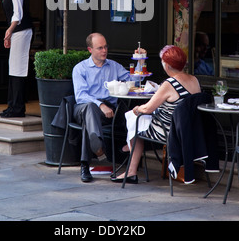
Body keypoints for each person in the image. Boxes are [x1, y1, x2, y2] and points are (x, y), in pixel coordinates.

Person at [111, 45, 201, 184]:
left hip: (169, 132)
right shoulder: (194, 80)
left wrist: (137, 109)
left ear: (167, 65)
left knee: (134, 118)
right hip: (189, 131)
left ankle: (131, 170)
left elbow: (147, 109)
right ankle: (128, 151)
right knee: (139, 119)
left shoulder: (170, 83)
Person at [72, 32, 145, 182]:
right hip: (84, 108)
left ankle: (92, 155)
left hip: (110, 110)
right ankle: (96, 146)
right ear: (90, 50)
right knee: (90, 109)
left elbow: (135, 81)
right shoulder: (80, 68)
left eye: (105, 47)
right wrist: (101, 105)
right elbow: (80, 96)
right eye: (100, 48)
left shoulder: (114, 66)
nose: (104, 50)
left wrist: (141, 61)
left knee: (90, 123)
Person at [0, 0, 33, 118]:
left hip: (22, 31)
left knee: (18, 69)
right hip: (16, 32)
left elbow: (17, 14)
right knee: (13, 68)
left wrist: (9, 31)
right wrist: (10, 34)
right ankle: (12, 105)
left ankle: (18, 108)